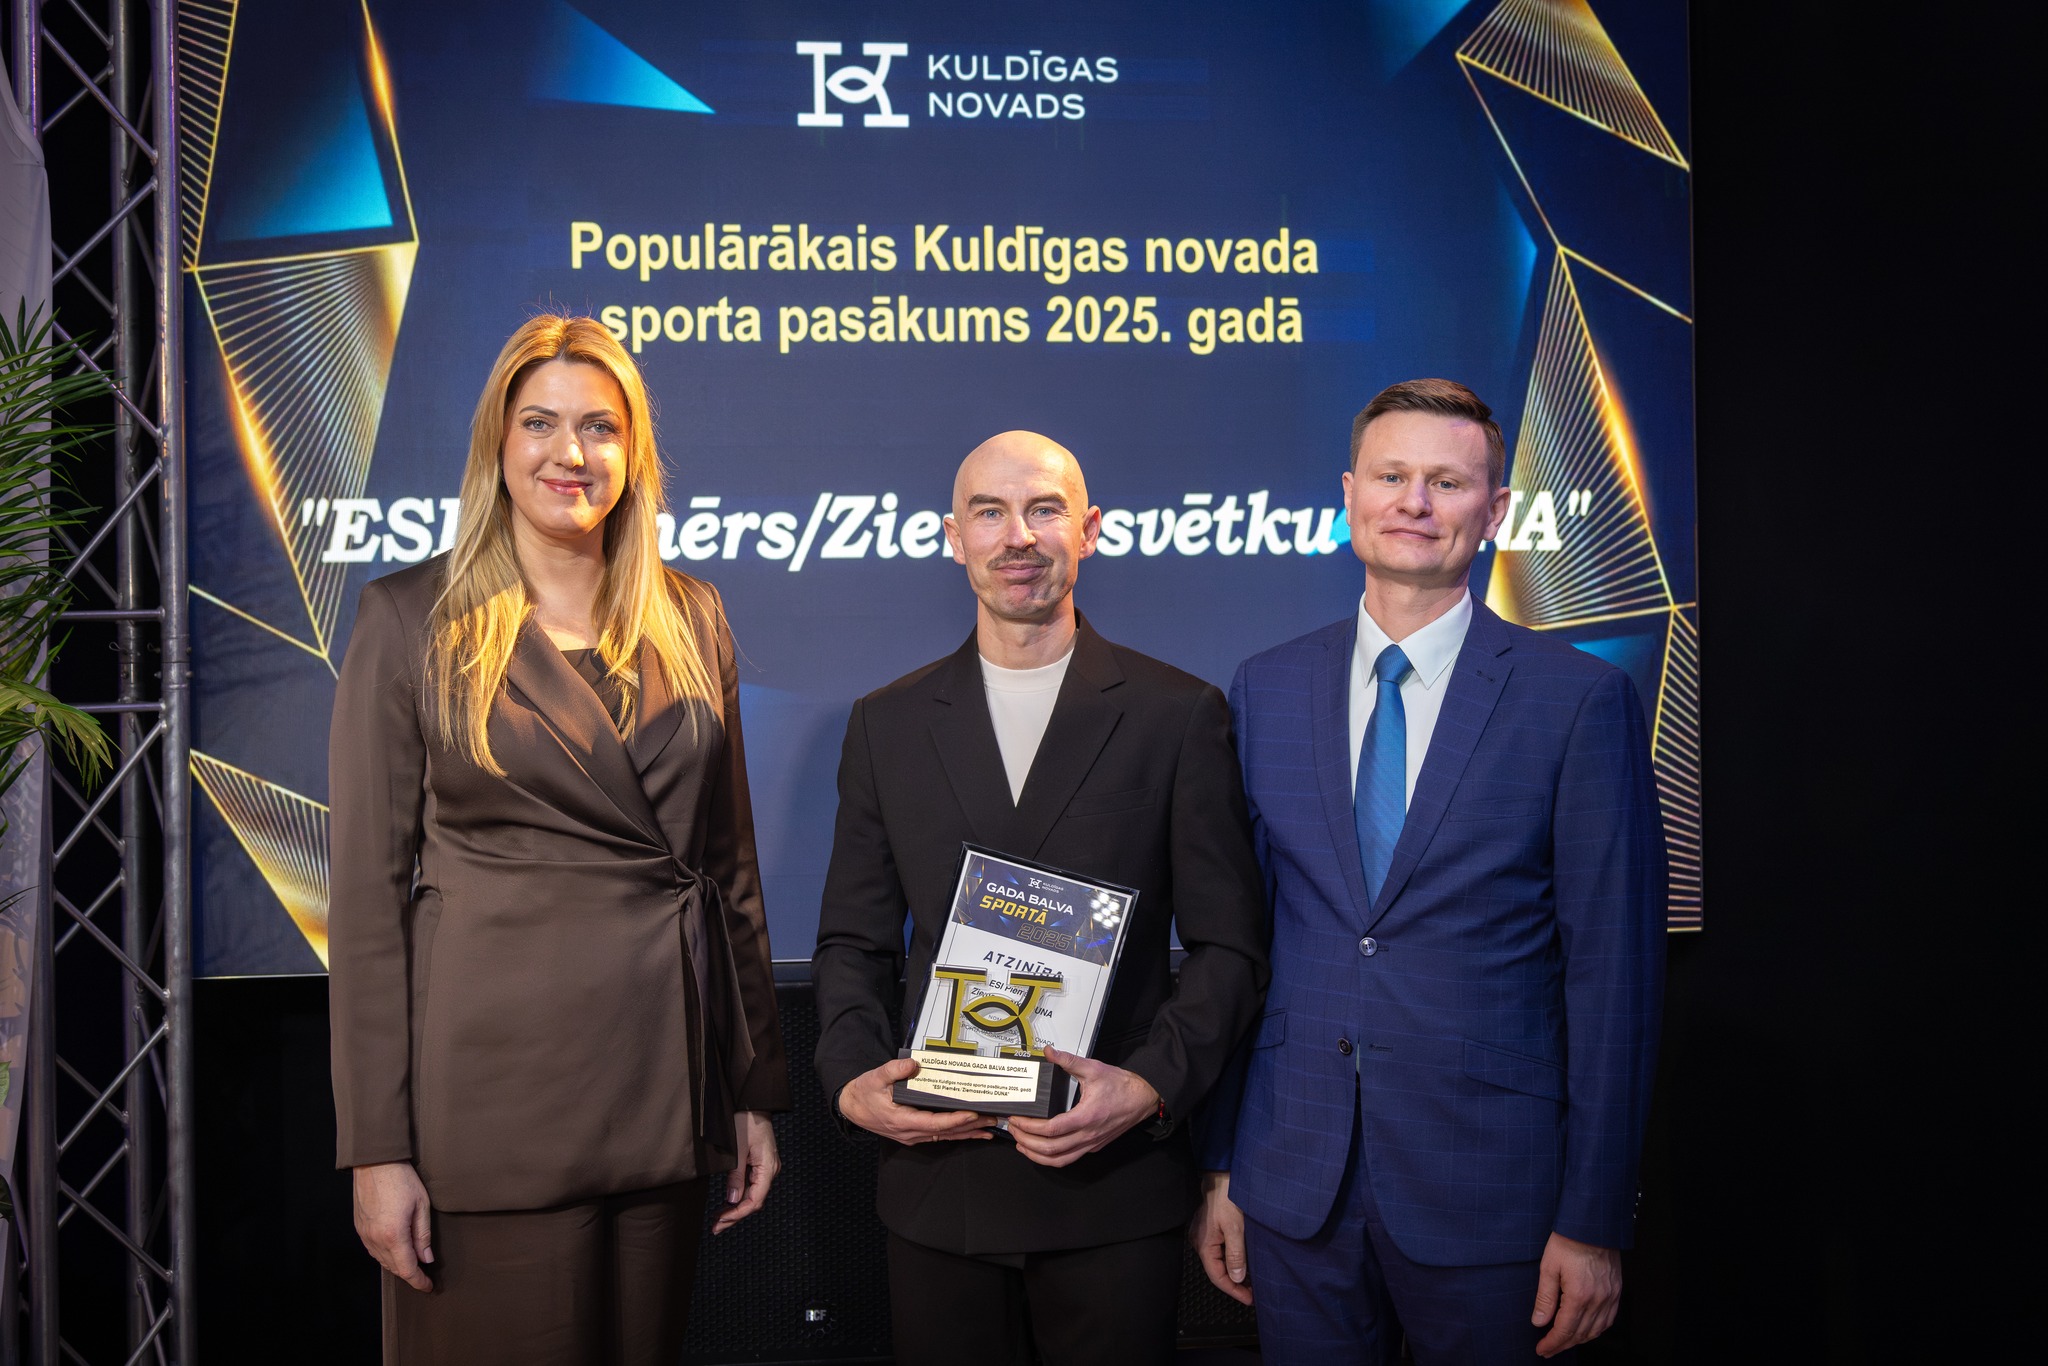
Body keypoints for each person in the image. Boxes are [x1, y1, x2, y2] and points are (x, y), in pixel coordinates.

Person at [328, 315, 789, 1364]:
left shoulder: (693, 616)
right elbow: (364, 907)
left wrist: (753, 1092)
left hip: (664, 1090)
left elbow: (729, 871)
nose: (568, 453)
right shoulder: (409, 619)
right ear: (497, 441)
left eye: (598, 427)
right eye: (538, 423)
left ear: (633, 453)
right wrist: (377, 1149)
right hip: (489, 1111)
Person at [1192, 380, 1666, 1363]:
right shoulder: (1264, 687)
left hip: (1495, 1193)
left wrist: (1593, 1218)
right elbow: (1241, 945)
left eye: (1445, 482)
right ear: (1348, 495)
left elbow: (1613, 980)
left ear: (1493, 510)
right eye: (1391, 476)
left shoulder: (1578, 700)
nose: (1413, 502)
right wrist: (1224, 1164)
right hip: (1292, 1180)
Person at [811, 432, 1269, 1366]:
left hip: (1113, 1184)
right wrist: (853, 1079)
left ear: (1088, 530)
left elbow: (1230, 948)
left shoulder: (1177, 714)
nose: (1017, 536)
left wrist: (1150, 1086)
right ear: (954, 539)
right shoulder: (886, 724)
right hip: (940, 1179)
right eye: (990, 512)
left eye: (1044, 510)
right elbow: (853, 941)